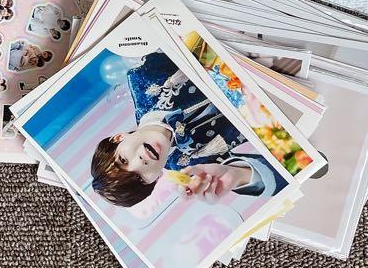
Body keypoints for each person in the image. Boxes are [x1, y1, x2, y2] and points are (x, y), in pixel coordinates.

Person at [90, 50, 281, 207]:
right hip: (280, 91)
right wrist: (237, 175)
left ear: (119, 138)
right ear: (156, 179)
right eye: (140, 178)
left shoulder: (142, 78)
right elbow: (287, 174)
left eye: (123, 160)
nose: (140, 162)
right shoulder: (193, 167)